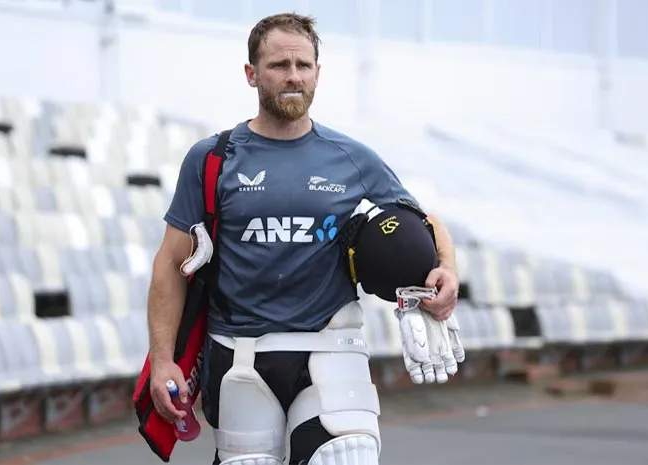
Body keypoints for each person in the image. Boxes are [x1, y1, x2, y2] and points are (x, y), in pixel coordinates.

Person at [146, 12, 461, 465]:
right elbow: (170, 264)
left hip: (331, 348)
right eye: (279, 65)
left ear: (317, 73)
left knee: (348, 455)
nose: (293, 76)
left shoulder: (351, 157)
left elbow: (422, 221)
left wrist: (446, 267)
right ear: (252, 74)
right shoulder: (212, 158)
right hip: (239, 356)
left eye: (303, 65)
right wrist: (162, 360)